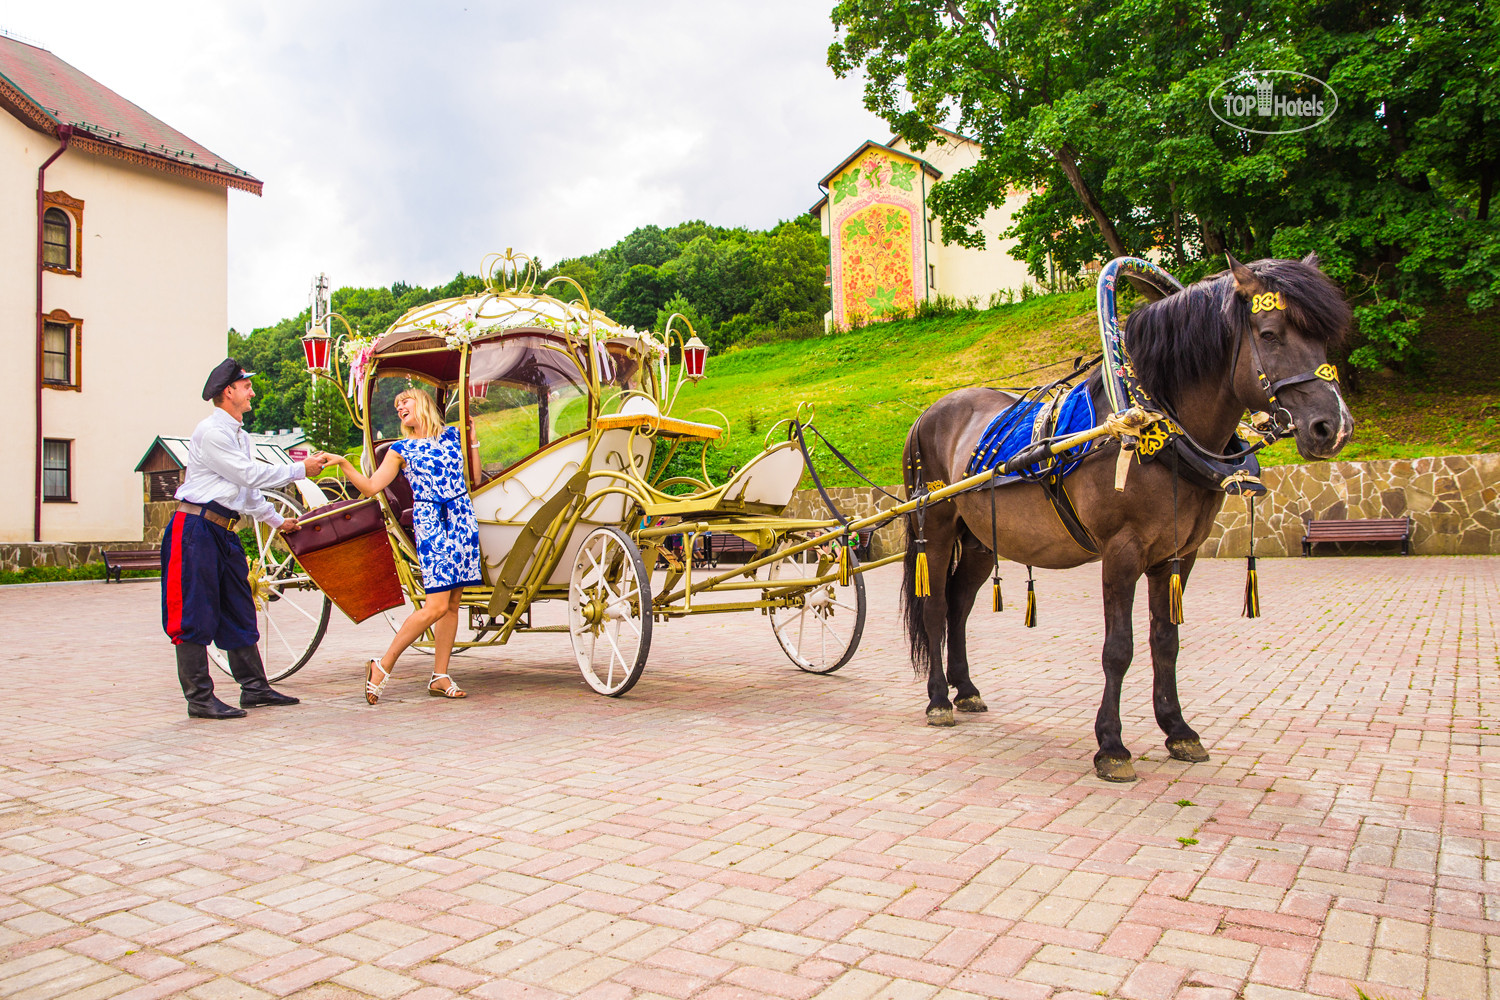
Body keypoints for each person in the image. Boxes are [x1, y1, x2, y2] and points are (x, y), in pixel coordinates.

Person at [165, 359, 332, 719]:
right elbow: (247, 473)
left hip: (223, 530)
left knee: (239, 607)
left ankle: (254, 688)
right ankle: (199, 698)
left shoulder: (238, 434)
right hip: (195, 528)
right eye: (246, 387)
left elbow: (247, 490)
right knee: (193, 610)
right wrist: (301, 468)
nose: (252, 392)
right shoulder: (212, 432)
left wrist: (277, 521)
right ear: (229, 392)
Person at [328, 388, 481, 703]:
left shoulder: (453, 437)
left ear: (422, 402)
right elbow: (371, 486)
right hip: (433, 523)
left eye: (404, 401)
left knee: (452, 605)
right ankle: (383, 665)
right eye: (396, 405)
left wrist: (474, 438)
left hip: (463, 520)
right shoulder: (401, 449)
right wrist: (344, 463)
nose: (399, 408)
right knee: (436, 606)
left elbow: (473, 477)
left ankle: (440, 676)